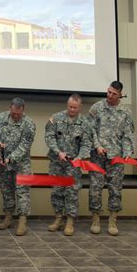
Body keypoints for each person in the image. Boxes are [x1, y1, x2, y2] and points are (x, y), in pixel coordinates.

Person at [88, 80, 134, 236]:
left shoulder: (125, 112)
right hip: (98, 155)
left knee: (115, 189)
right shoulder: (97, 108)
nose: (110, 96)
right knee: (95, 188)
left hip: (116, 158)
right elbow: (90, 130)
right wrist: (97, 145)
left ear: (120, 94)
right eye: (108, 92)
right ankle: (95, 219)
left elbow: (128, 134)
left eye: (114, 94)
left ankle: (113, 220)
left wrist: (127, 151)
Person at [45, 94, 91, 236]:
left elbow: (86, 144)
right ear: (67, 104)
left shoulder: (85, 123)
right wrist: (58, 151)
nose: (72, 109)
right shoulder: (56, 118)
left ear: (80, 107)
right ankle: (58, 218)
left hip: (73, 164)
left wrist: (79, 157)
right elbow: (49, 136)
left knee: (72, 192)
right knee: (57, 191)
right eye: (70, 106)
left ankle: (70, 221)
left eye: (75, 107)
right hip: (57, 162)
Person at [0, 98, 36, 236]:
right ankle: (8, 217)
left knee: (22, 192)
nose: (15, 116)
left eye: (18, 114)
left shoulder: (29, 124)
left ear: (24, 109)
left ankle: (22, 221)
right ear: (9, 108)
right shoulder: (0, 118)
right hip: (3, 164)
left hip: (21, 164)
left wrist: (11, 158)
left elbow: (24, 146)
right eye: (13, 113)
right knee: (6, 190)